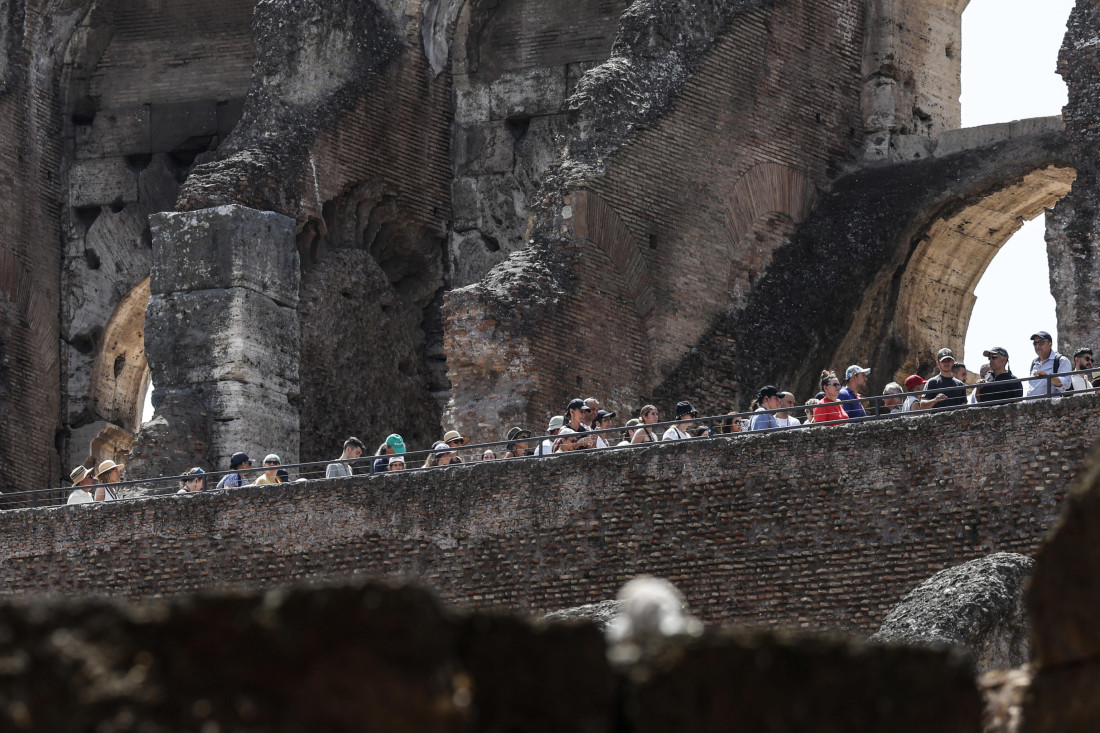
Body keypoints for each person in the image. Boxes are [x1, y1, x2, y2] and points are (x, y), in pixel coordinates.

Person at [1027, 331, 1071, 397]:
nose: (1037, 345)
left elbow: (1066, 384)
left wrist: (1048, 377)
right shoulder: (1034, 363)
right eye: (1035, 343)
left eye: (1041, 342)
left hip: (1049, 405)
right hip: (1030, 406)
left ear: (1050, 344)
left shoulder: (1061, 360)